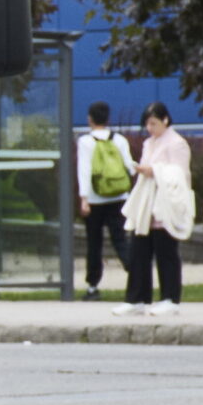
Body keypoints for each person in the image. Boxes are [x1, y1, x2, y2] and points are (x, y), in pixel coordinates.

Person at [115, 102, 192, 316]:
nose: (150, 128)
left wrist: (155, 171)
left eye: (153, 123)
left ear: (165, 120)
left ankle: (170, 298)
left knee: (166, 251)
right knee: (140, 250)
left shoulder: (176, 143)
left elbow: (180, 173)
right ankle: (136, 298)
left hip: (166, 203)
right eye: (147, 124)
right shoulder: (150, 143)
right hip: (147, 204)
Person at [76, 101, 136, 301]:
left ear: (90, 119)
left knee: (94, 244)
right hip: (118, 197)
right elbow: (130, 166)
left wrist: (83, 199)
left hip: (94, 199)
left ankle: (93, 287)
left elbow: (84, 170)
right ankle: (135, 278)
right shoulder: (119, 140)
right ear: (108, 118)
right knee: (120, 239)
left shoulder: (85, 141)